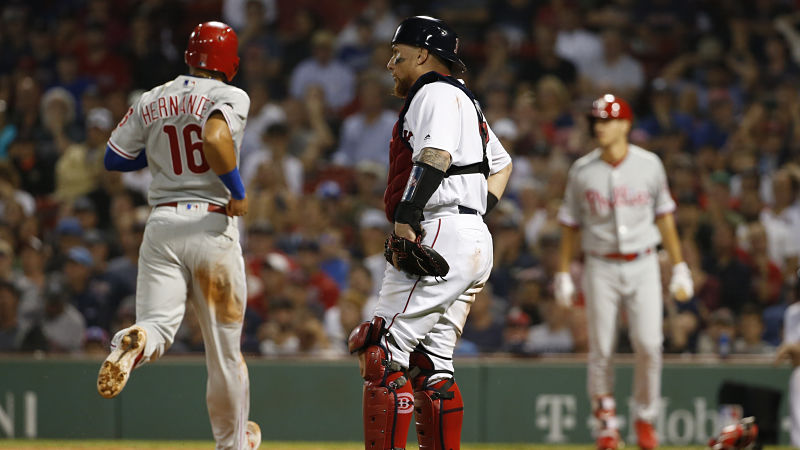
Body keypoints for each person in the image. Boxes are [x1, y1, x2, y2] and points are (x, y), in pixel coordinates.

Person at [347, 16, 512, 450]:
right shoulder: (466, 100)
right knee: (431, 367)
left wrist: (407, 215)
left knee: (381, 352)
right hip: (470, 235)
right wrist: (472, 212)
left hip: (437, 230)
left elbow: (435, 154)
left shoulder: (433, 91)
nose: (390, 65)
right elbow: (502, 165)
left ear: (422, 55)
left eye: (397, 55)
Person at [96, 21, 260, 450]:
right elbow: (214, 136)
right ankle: (232, 444)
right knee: (224, 354)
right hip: (210, 224)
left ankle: (133, 343)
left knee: (156, 325)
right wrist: (237, 191)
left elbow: (114, 158)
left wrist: (159, 156)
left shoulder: (151, 97)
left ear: (189, 56)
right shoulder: (230, 95)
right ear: (231, 63)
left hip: (162, 223)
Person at [554, 94, 693, 450]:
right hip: (600, 263)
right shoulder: (582, 170)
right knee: (601, 347)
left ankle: (645, 418)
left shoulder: (649, 164)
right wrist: (563, 273)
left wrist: (680, 266)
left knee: (649, 344)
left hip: (644, 262)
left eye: (607, 120)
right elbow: (569, 224)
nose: (600, 127)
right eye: (596, 121)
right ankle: (606, 423)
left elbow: (665, 217)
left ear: (625, 124)